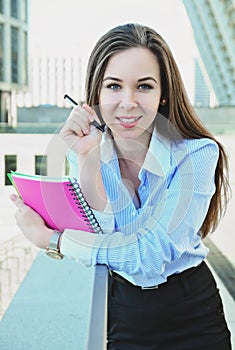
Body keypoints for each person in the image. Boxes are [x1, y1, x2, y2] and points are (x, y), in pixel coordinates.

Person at [10, 23, 232, 350]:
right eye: (113, 86)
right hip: (124, 307)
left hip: (192, 313)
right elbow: (111, 235)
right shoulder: (89, 152)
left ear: (163, 94)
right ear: (95, 96)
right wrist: (88, 160)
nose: (128, 102)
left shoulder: (196, 153)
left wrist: (53, 240)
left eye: (144, 87)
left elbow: (149, 255)